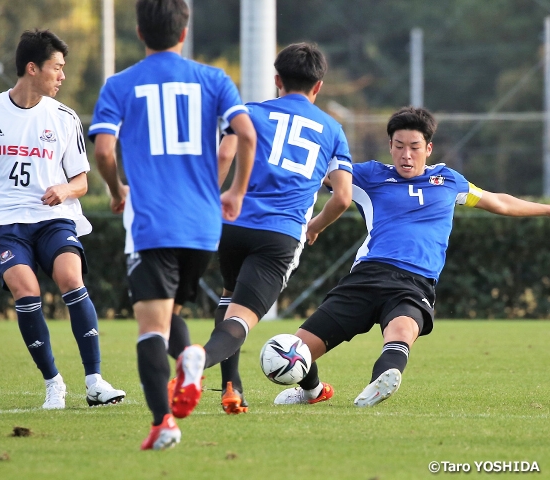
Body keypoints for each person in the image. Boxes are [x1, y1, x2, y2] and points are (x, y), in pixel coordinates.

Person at [272, 106, 550, 408]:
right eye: (399, 146)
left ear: (428, 149)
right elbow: (313, 173)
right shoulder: (368, 175)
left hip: (414, 282)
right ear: (390, 146)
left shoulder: (448, 181)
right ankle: (312, 391)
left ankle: (381, 381)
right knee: (293, 350)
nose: (406, 155)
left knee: (402, 331)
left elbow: (500, 202)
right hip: (367, 276)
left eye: (415, 147)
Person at [90, 0, 256, 450]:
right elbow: (246, 135)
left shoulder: (121, 84)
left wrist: (115, 187)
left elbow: (104, 151)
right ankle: (189, 359)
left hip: (152, 222)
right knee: (172, 313)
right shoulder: (215, 79)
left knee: (150, 327)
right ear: (183, 32)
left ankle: (163, 422)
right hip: (202, 227)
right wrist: (237, 192)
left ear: (140, 32)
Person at [173, 43, 353, 417]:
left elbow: (223, 156)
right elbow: (342, 198)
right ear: (318, 86)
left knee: (229, 296)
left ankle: (231, 390)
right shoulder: (332, 129)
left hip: (231, 222)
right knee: (241, 320)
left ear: (276, 80)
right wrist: (314, 227)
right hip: (280, 234)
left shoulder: (249, 113)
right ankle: (197, 362)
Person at [0, 30, 125, 410]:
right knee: (26, 290)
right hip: (5, 226)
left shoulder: (64, 117)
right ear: (32, 68)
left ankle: (95, 380)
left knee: (71, 278)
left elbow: (82, 181)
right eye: (57, 68)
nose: (62, 76)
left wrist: (64, 191)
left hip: (53, 220)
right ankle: (54, 383)